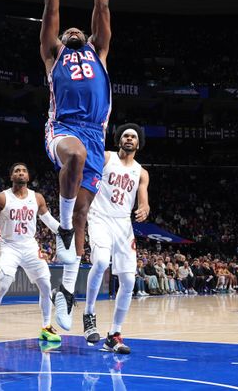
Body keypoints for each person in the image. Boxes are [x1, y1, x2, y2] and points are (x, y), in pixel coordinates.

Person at [40, 0, 113, 330]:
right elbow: (52, 10)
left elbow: (101, 8)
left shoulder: (98, 50)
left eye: (76, 30)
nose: (71, 30)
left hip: (96, 136)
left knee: (84, 212)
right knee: (75, 156)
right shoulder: (54, 55)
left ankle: (66, 291)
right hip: (63, 129)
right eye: (66, 31)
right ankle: (63, 231)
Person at [0, 163, 62, 344]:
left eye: (24, 171)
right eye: (17, 171)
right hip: (9, 246)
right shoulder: (1, 198)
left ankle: (46, 327)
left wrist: (64, 231)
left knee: (45, 285)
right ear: (11, 176)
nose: (20, 173)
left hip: (29, 246)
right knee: (3, 285)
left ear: (28, 177)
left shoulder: (37, 198)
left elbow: (49, 221)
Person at [81, 124, 149, 353]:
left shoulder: (141, 171)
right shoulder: (106, 157)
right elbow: (86, 177)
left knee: (129, 281)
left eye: (133, 137)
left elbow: (143, 199)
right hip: (100, 216)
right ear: (119, 139)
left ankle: (114, 335)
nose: (129, 139)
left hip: (123, 224)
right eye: (125, 135)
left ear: (138, 143)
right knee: (100, 262)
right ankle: (89, 314)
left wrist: (145, 207)